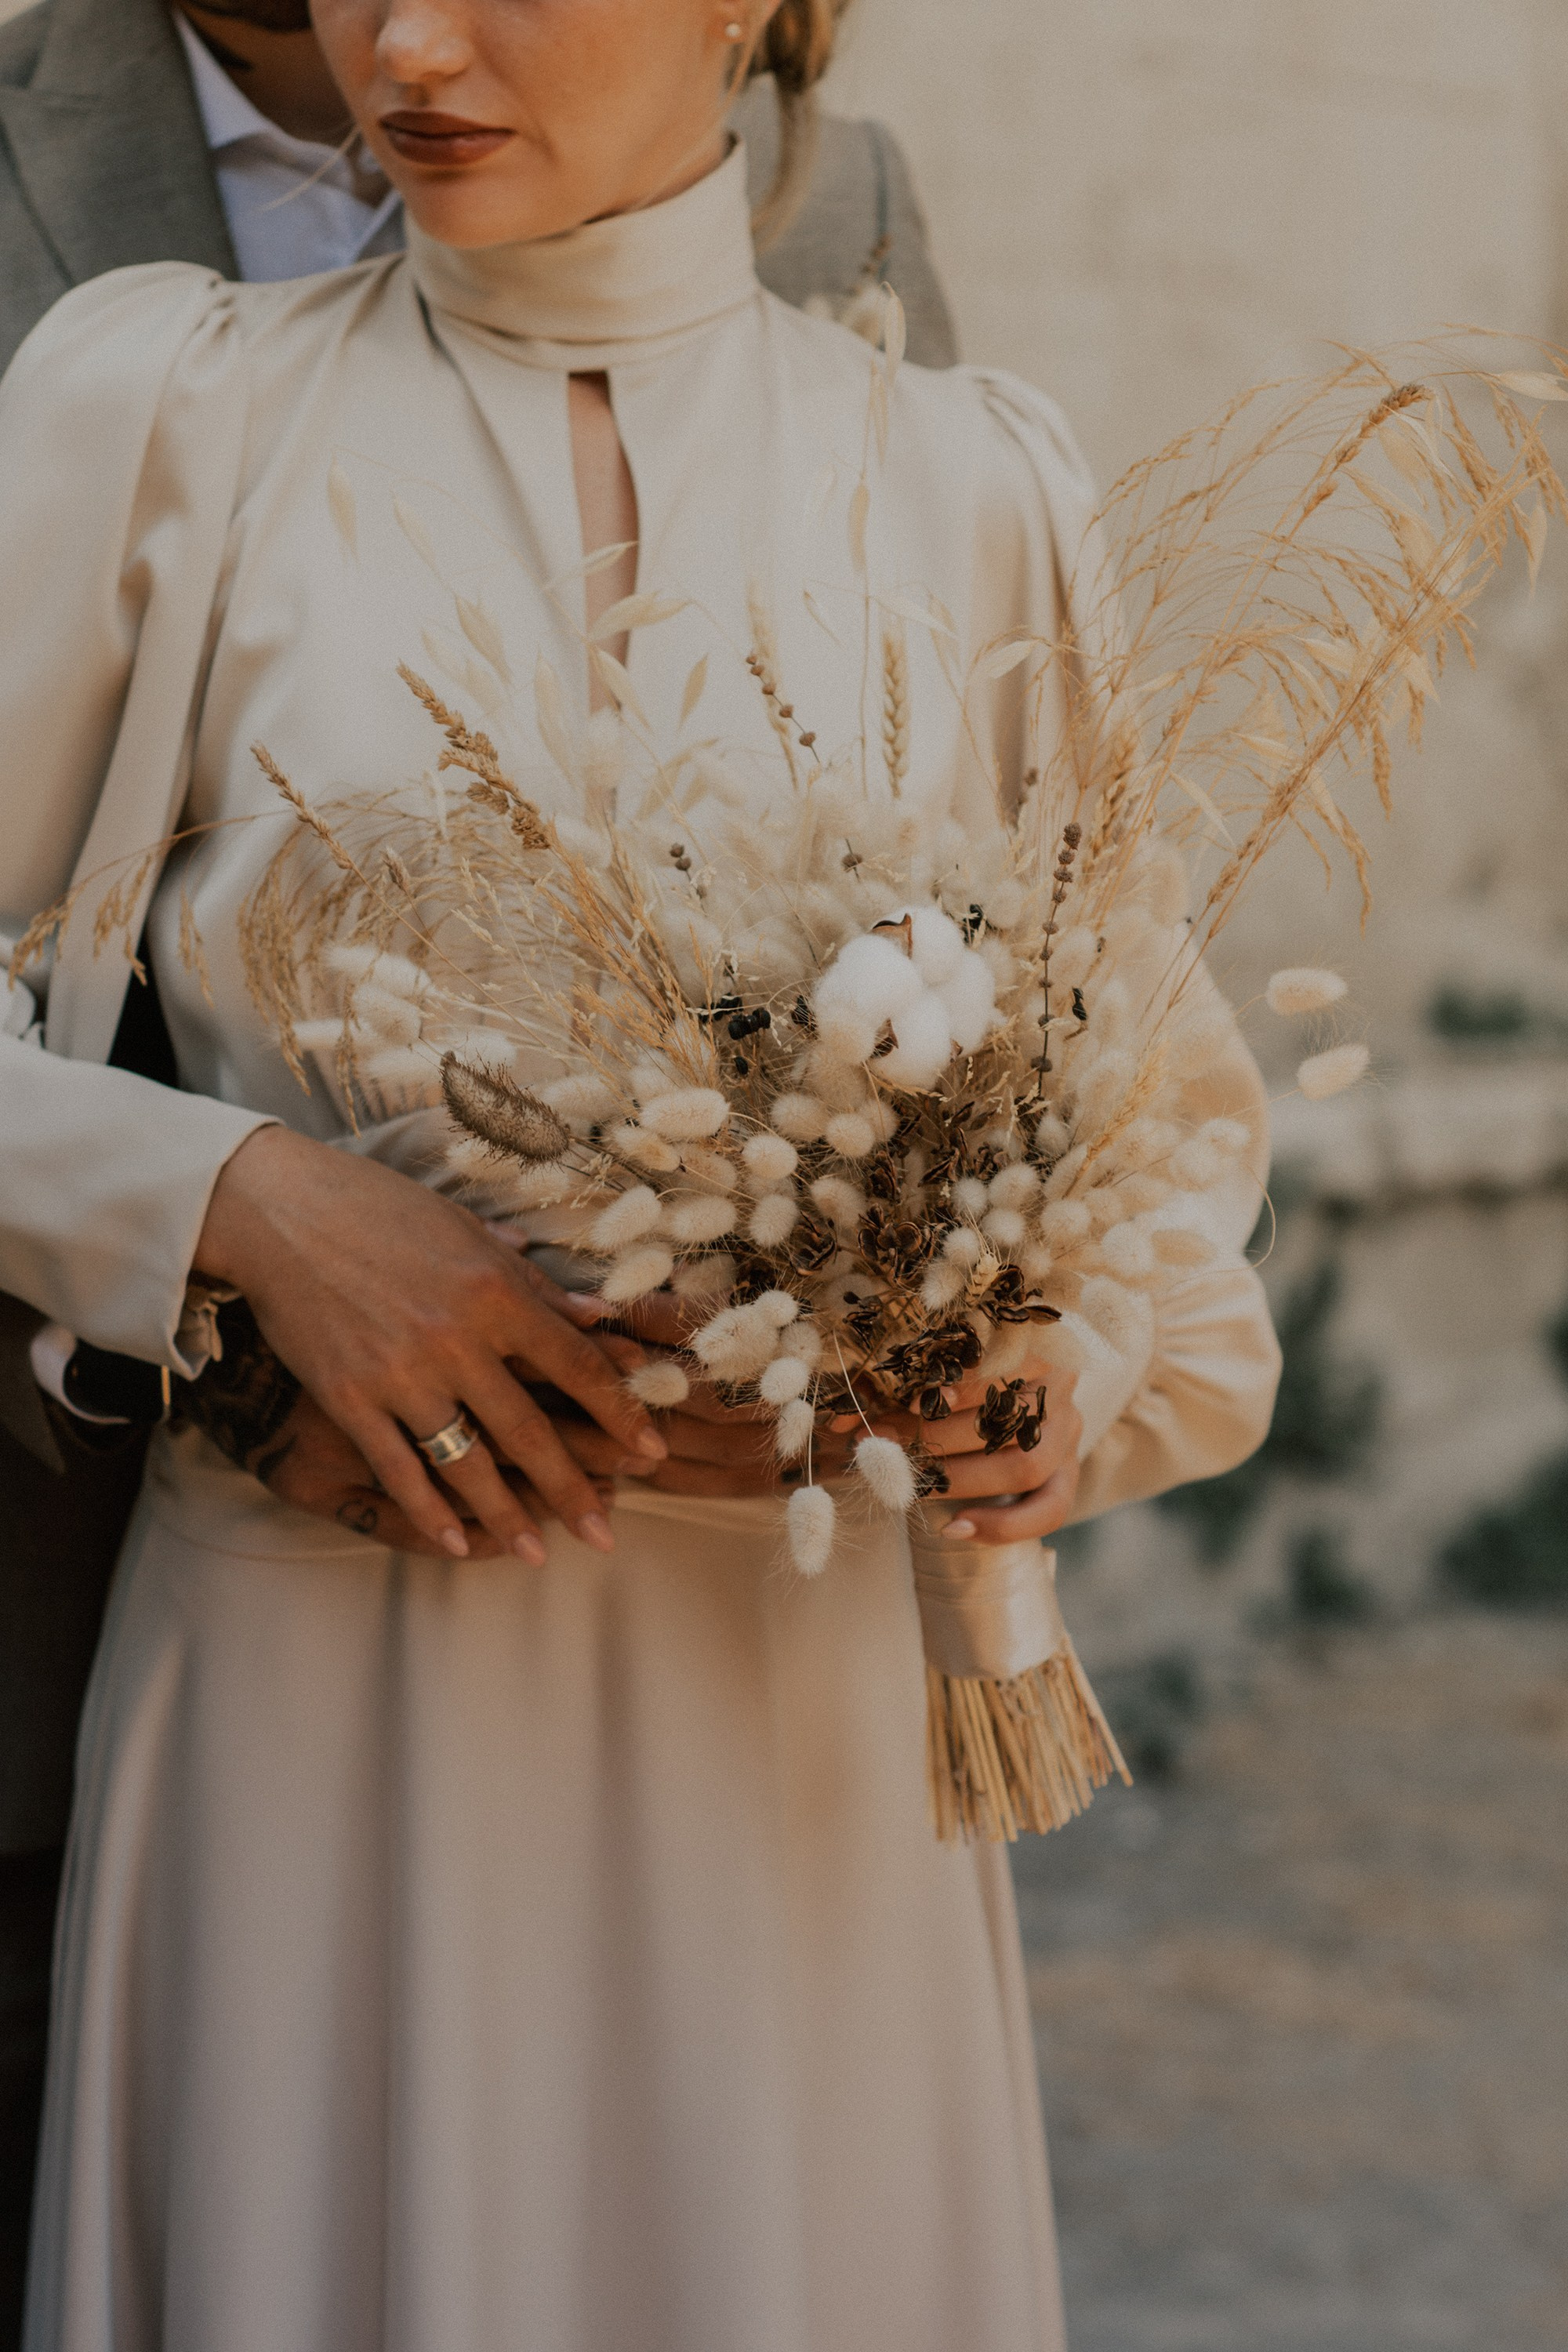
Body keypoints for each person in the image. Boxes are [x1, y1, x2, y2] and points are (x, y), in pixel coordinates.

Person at [0, 1, 1282, 2343]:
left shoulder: (973, 478)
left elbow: (1168, 1141)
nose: (401, 40)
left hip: (793, 1743)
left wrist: (1037, 1375)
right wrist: (236, 1208)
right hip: (317, 1724)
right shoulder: (164, 413)